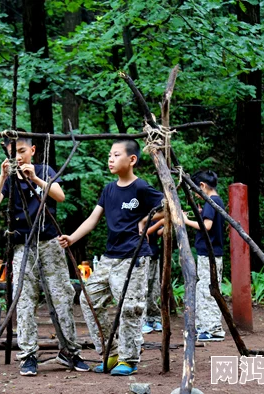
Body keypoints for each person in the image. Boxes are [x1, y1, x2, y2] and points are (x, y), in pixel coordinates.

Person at [58, 140, 163, 376]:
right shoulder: (109, 189)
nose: (110, 159)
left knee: (129, 308)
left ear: (132, 159)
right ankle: (111, 352)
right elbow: (93, 219)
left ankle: (129, 358)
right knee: (88, 299)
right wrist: (72, 238)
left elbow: (167, 205)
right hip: (109, 258)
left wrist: (146, 220)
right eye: (109, 155)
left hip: (133, 256)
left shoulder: (141, 188)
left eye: (116, 155)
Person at [0, 134, 89, 376]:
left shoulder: (44, 170)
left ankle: (70, 352)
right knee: (24, 300)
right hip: (23, 245)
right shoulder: (9, 178)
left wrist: (35, 178)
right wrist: (2, 176)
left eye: (22, 150)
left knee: (62, 296)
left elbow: (60, 196)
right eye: (13, 153)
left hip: (50, 243)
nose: (19, 156)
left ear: (32, 149)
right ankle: (28, 355)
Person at [184, 170, 226, 342]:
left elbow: (207, 226)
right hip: (210, 253)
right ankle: (206, 325)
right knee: (205, 289)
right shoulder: (217, 201)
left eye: (195, 189)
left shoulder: (211, 201)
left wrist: (184, 221)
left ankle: (213, 329)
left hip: (210, 254)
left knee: (209, 290)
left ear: (201, 186)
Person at [142, 219, 164, 335]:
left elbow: (158, 232)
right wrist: (160, 223)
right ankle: (142, 321)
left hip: (154, 255)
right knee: (143, 289)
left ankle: (153, 319)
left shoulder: (154, 215)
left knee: (154, 290)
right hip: (143, 256)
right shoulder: (140, 213)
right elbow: (144, 231)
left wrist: (168, 224)